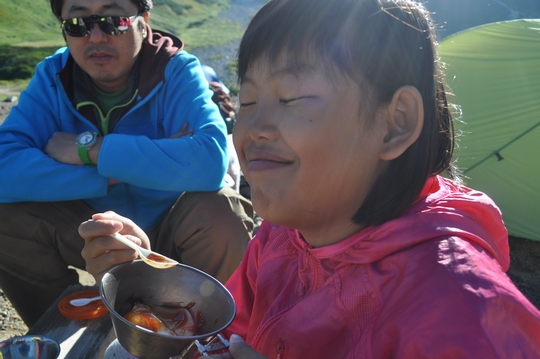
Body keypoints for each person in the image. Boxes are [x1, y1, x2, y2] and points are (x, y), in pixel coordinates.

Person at [79, 0, 540, 357]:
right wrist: (148, 268)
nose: (253, 129)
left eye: (293, 97)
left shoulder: (461, 307)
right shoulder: (282, 238)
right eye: (250, 101)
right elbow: (226, 329)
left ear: (395, 122)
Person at [0, 0, 254, 327]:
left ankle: (213, 335)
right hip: (95, 231)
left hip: (173, 228)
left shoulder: (176, 70)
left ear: (143, 21)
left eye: (113, 20)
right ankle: (65, 331)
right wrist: (111, 175)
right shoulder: (52, 78)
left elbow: (210, 161)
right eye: (78, 23)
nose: (95, 37)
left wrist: (89, 149)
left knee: (222, 212)